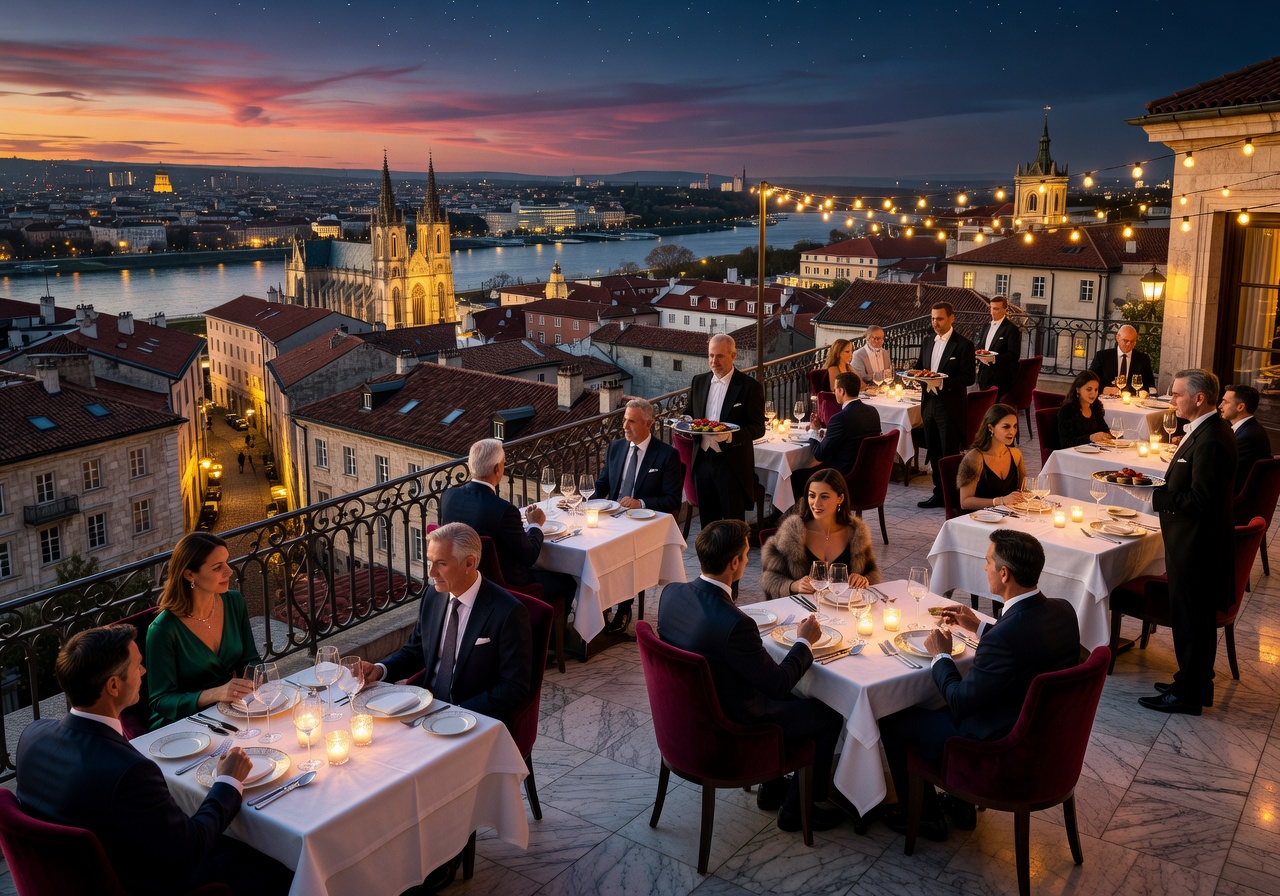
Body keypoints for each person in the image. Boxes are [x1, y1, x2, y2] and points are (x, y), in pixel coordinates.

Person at [16, 625, 293, 896]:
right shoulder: (129, 771)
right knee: (282, 862)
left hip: (74, 877)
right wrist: (228, 781)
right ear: (113, 685)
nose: (144, 672)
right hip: (148, 883)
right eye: (137, 666)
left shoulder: (32, 736)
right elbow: (191, 848)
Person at [877, 530, 1081, 841]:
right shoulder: (1063, 611)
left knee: (892, 717)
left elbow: (960, 702)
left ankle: (926, 816)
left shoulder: (1004, 639)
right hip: (1049, 742)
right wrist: (979, 626)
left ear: (1004, 573)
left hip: (999, 747)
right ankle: (961, 806)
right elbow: (1025, 643)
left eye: (988, 562)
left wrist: (941, 656)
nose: (985, 568)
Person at [657, 519, 847, 832]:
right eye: (746, 556)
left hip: (688, 720)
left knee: (797, 695)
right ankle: (798, 809)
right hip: (733, 728)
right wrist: (804, 642)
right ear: (734, 563)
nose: (747, 561)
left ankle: (772, 788)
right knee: (829, 713)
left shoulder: (671, 594)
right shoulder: (735, 623)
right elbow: (778, 684)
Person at [358, 522, 531, 723]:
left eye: (441, 563)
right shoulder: (432, 596)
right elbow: (414, 652)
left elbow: (513, 687)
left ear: (469, 563)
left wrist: (455, 713)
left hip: (472, 718)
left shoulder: (508, 612)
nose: (431, 573)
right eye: (430, 561)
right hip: (425, 708)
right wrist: (380, 669)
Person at [1143, 369, 1237, 715]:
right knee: (1195, 621)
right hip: (1192, 542)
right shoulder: (1206, 430)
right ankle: (1194, 683)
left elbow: (1201, 501)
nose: (1171, 400)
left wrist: (1155, 497)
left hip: (1197, 547)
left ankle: (1188, 694)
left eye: (1177, 394)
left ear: (1199, 398)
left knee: (1192, 623)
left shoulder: (1212, 439)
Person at [440, 438, 575, 620]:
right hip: (506, 588)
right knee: (568, 581)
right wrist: (535, 525)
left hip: (464, 580)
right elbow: (528, 557)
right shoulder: (503, 510)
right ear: (497, 469)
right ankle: (549, 634)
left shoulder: (448, 496)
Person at [146, 532, 259, 730]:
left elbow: (251, 660)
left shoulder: (234, 602)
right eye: (217, 567)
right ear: (189, 575)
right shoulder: (163, 630)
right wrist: (216, 694)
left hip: (229, 710)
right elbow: (161, 701)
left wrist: (253, 685)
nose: (229, 571)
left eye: (226, 562)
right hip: (183, 722)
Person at [593, 398, 684, 632]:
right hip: (613, 516)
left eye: (631, 422)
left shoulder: (666, 455)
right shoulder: (615, 448)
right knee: (594, 549)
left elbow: (672, 500)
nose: (625, 426)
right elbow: (602, 485)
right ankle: (600, 604)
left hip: (643, 522)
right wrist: (583, 502)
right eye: (624, 420)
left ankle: (624, 607)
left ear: (649, 423)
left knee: (621, 550)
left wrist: (640, 502)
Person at [762, 468, 881, 598]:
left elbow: (872, 572)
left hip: (842, 607)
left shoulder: (857, 534)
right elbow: (769, 579)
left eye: (824, 497)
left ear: (840, 498)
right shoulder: (792, 532)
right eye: (812, 495)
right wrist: (794, 585)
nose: (816, 503)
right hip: (803, 608)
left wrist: (864, 579)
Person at [687, 334, 766, 526]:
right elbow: (689, 413)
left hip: (732, 463)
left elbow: (758, 427)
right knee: (708, 525)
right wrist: (685, 421)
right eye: (711, 355)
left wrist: (730, 436)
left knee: (733, 526)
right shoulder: (698, 381)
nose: (714, 361)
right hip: (702, 460)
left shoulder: (749, 387)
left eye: (720, 356)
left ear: (733, 355)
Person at [915, 302, 976, 508]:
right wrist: (913, 376)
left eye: (939, 319)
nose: (935, 323)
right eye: (933, 318)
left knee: (948, 453)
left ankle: (952, 495)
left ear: (951, 318)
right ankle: (938, 493)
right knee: (933, 450)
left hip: (949, 406)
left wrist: (942, 382)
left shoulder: (964, 345)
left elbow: (969, 377)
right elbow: (919, 367)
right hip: (928, 403)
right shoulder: (927, 341)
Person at [791, 371, 882, 503]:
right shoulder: (873, 412)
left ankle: (804, 514)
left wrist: (813, 431)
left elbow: (820, 454)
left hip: (842, 477)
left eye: (835, 389)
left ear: (842, 391)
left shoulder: (840, 418)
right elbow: (851, 437)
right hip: (867, 477)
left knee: (794, 476)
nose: (834, 392)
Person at [958, 403, 1029, 511]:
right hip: (980, 517)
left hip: (1009, 514)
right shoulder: (975, 458)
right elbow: (965, 502)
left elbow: (1022, 490)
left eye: (1015, 426)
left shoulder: (1016, 454)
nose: (1012, 431)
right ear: (991, 428)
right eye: (1006, 427)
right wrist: (1000, 501)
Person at [1220, 383, 1272, 493]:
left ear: (1240, 407)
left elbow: (1224, 473)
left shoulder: (1248, 437)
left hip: (1234, 498)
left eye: (1225, 402)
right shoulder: (1249, 429)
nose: (1220, 406)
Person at [974, 295, 1021, 397]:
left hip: (1000, 377)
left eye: (996, 309)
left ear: (1005, 309)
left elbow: (1014, 355)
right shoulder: (986, 326)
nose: (993, 312)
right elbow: (980, 347)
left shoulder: (1011, 329)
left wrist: (994, 358)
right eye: (992, 308)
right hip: (983, 375)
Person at [1089, 324, 1156, 395]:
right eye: (1125, 341)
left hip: (1133, 399)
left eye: (1132, 341)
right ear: (1117, 337)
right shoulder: (1102, 356)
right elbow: (1089, 380)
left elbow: (1150, 384)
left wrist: (1145, 392)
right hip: (1107, 398)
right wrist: (1103, 389)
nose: (1129, 344)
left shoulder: (1143, 359)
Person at [1057, 370, 1112, 447]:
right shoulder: (1067, 411)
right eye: (1089, 389)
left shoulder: (1095, 408)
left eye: (1096, 390)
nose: (1093, 393)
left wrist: (1110, 435)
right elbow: (1066, 443)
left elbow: (1105, 431)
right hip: (1071, 453)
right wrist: (1090, 438)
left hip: (1095, 451)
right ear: (1078, 389)